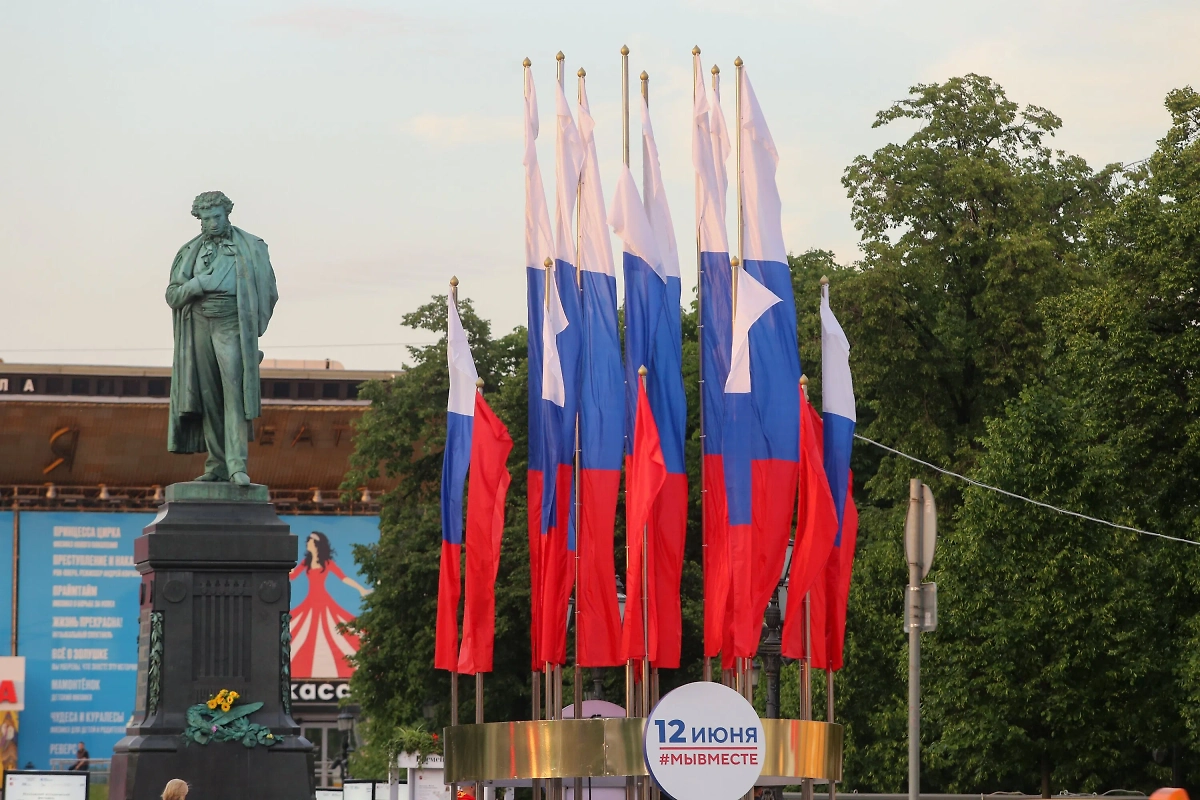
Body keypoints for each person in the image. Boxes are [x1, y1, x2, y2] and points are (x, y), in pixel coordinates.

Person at [165, 190, 278, 486]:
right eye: (206, 219)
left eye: (217, 216)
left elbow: (269, 290)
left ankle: (237, 465)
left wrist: (252, 332)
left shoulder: (251, 247)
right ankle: (216, 464)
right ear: (200, 221)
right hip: (198, 324)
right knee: (209, 397)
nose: (213, 223)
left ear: (227, 214)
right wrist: (198, 284)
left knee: (234, 395)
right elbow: (173, 296)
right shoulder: (188, 252)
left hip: (232, 322)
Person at [289, 531, 371, 678]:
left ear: (316, 545)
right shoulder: (306, 562)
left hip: (323, 600)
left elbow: (343, 577)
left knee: (340, 627)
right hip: (310, 601)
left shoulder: (327, 563)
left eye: (310, 541)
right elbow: (293, 576)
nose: (307, 543)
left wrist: (361, 589)